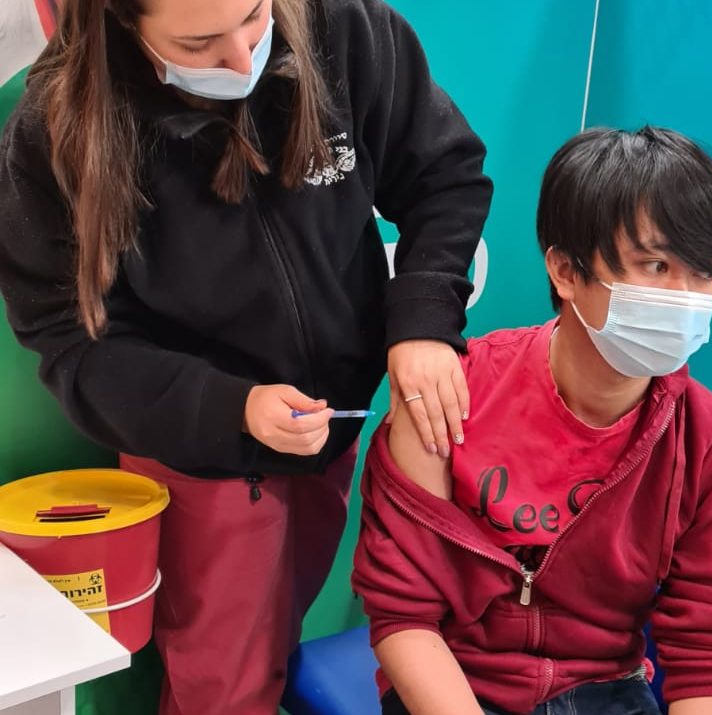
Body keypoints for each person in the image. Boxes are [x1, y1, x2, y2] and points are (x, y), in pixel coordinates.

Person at [0, 0, 492, 712]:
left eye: (256, 15)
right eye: (198, 43)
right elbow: (71, 341)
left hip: (328, 428)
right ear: (122, 21)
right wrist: (230, 407)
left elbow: (445, 176)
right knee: (225, 685)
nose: (241, 58)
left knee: (274, 642)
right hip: (196, 445)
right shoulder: (51, 128)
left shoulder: (344, 26)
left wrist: (423, 321)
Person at [352, 126, 712, 715]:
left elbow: (705, 652)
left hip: (609, 687)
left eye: (705, 271)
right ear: (565, 270)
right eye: (655, 265)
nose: (686, 296)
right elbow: (404, 614)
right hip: (458, 679)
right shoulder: (451, 394)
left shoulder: (703, 437)